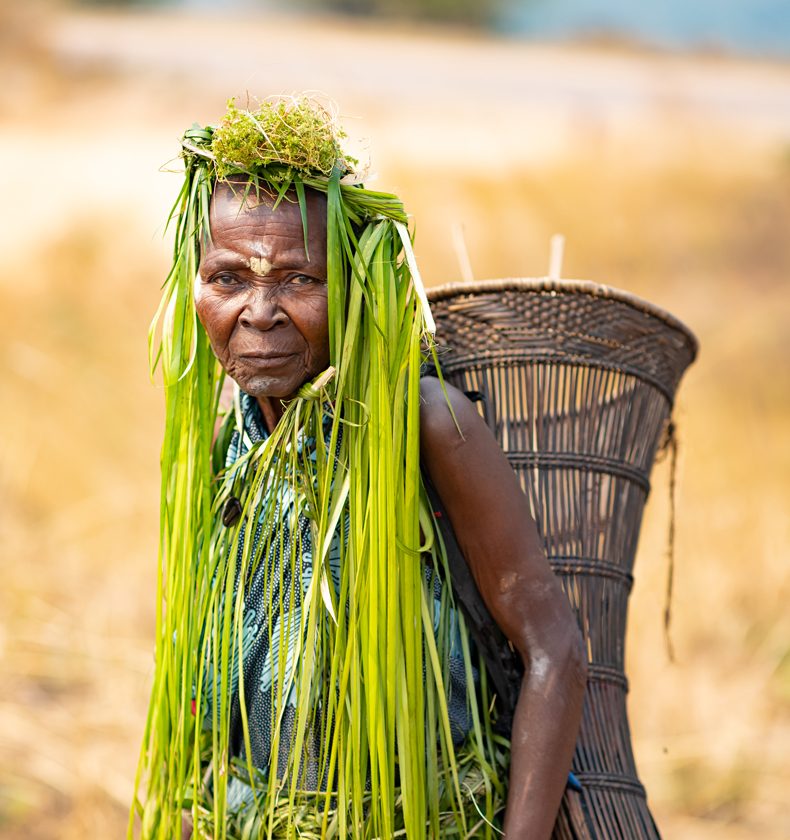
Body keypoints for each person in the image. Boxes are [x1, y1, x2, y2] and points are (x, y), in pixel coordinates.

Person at [133, 97, 587, 840]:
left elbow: (554, 650)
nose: (260, 312)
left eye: (300, 280)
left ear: (354, 285)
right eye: (228, 279)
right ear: (195, 288)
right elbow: (219, 646)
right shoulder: (228, 435)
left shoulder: (427, 424)